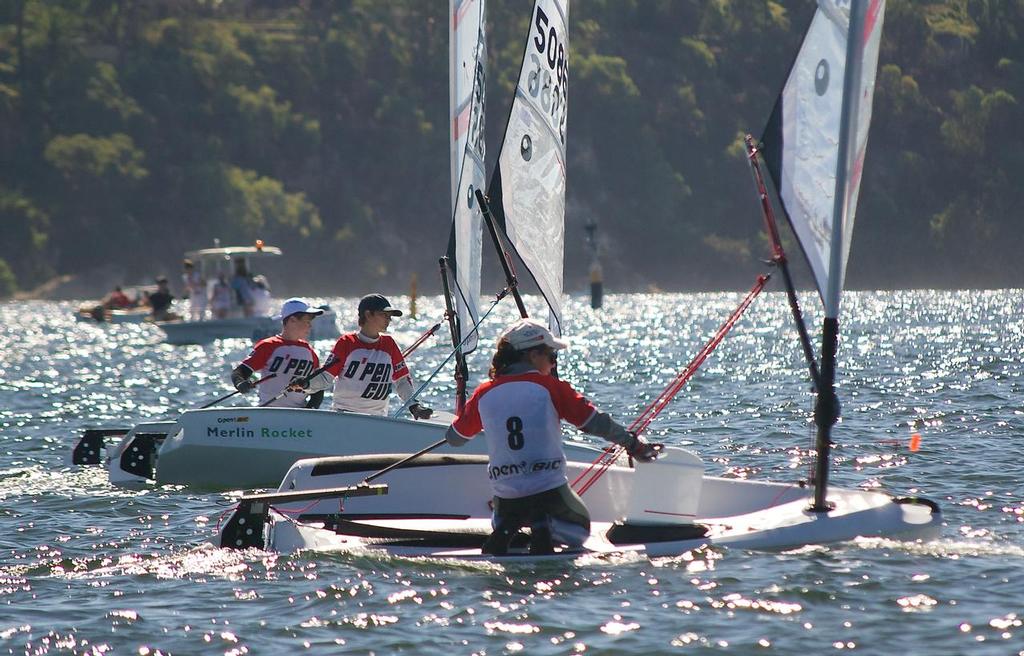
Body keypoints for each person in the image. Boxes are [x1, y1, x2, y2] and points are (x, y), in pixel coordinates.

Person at [444, 318, 661, 555]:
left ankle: (510, 528)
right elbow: (596, 423)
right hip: (550, 492)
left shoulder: (483, 393)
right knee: (579, 531)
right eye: (551, 356)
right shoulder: (551, 387)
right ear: (533, 355)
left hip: (507, 498)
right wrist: (633, 444)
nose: (553, 363)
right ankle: (541, 524)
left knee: (505, 515)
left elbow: (455, 438)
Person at [299, 294, 432, 419]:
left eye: (389, 316)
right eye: (384, 315)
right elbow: (325, 378)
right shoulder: (347, 342)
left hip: (378, 418)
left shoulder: (389, 344)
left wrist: (414, 406)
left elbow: (402, 381)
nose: (389, 319)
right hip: (345, 416)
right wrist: (306, 384)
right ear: (368, 315)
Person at [231, 298, 325, 408]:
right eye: (307, 322)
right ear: (292, 320)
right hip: (270, 412)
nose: (310, 326)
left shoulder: (310, 351)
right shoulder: (268, 346)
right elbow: (239, 372)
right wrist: (240, 383)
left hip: (299, 414)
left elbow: (318, 387)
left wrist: (309, 411)